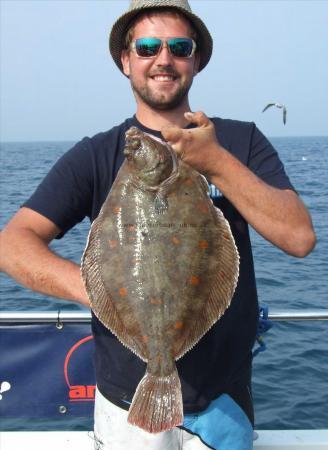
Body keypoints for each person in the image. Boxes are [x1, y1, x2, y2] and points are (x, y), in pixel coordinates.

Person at [0, 0, 316, 449]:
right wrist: (98, 288)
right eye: (147, 46)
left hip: (224, 400)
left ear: (196, 59)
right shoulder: (96, 155)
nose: (162, 59)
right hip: (126, 407)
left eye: (178, 47)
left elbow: (300, 238)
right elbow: (12, 244)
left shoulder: (239, 142)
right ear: (126, 60)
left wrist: (216, 162)